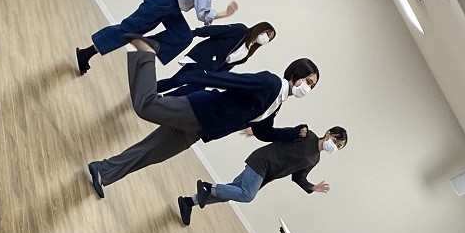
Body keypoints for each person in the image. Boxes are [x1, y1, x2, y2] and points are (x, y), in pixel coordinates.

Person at [88, 50, 319, 197]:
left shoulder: (277, 103)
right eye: (308, 81)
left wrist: (293, 134)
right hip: (198, 111)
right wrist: (197, 76)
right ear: (295, 74)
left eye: (312, 86)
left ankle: (103, 170)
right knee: (145, 106)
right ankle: (144, 54)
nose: (307, 88)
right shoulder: (270, 83)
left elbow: (264, 132)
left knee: (151, 153)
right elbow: (233, 81)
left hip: (201, 129)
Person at [75, 0, 250, 73]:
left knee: (184, 36)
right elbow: (202, 13)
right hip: (165, 1)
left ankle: (145, 44)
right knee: (127, 29)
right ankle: (86, 53)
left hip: (172, 6)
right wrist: (225, 14)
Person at [178, 121, 347, 225]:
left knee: (230, 192)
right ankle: (208, 188)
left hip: (266, 174)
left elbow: (298, 177)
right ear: (328, 133)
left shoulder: (315, 159)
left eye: (338, 147)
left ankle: (188, 202)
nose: (334, 146)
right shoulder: (306, 134)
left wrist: (312, 187)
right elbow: (279, 133)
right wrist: (256, 131)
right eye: (335, 141)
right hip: (262, 161)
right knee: (247, 195)